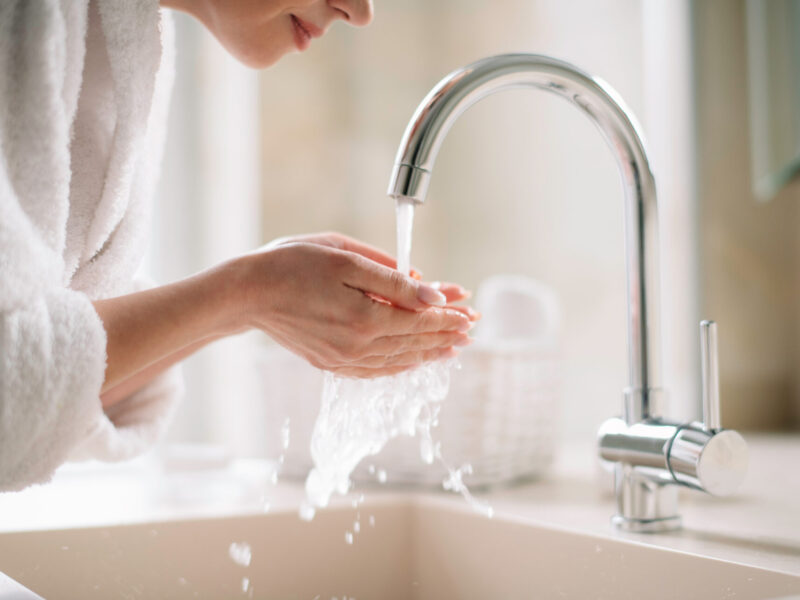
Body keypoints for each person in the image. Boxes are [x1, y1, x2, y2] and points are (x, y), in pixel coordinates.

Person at [0, 0, 476, 492]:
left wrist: (260, 297)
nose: (359, 11)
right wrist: (248, 292)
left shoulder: (112, 35)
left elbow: (52, 382)